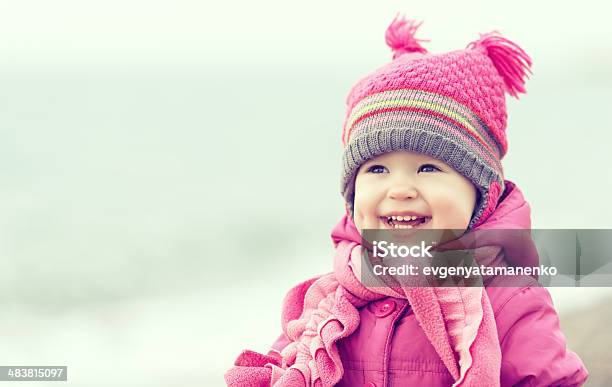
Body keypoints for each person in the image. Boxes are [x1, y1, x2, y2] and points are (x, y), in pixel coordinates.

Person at [225, 14, 588, 387]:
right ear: (352, 196)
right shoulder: (336, 295)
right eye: (377, 170)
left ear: (481, 192)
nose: (400, 189)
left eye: (428, 168)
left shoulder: (507, 295)